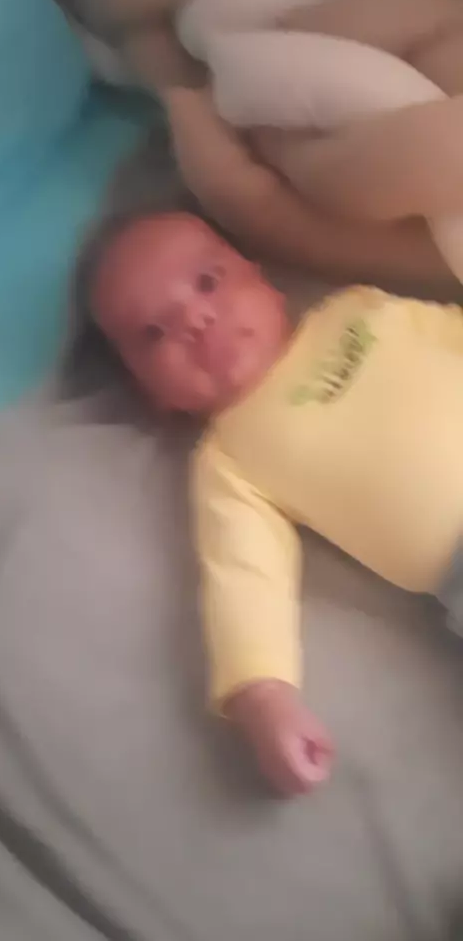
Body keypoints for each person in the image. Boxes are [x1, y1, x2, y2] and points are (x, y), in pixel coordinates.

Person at [90, 210, 463, 797]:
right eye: (154, 333)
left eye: (207, 282)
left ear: (260, 275)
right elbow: (243, 577)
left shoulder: (357, 309)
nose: (195, 320)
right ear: (151, 393)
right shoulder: (229, 459)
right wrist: (263, 697)